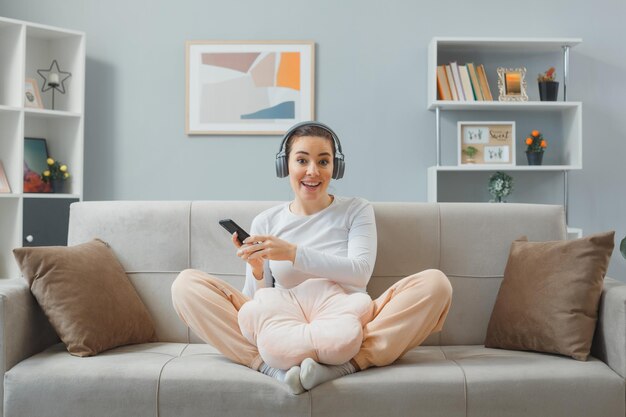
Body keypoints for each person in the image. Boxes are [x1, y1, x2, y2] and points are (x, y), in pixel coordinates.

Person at [171, 121, 452, 395]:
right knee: (186, 286)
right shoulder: (266, 221)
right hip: (280, 325)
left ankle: (344, 365)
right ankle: (273, 369)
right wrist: (258, 271)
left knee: (436, 285)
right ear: (286, 166)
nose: (312, 171)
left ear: (335, 167)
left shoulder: (356, 210)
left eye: (323, 161)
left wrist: (293, 254)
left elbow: (360, 272)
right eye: (302, 160)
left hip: (352, 321)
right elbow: (255, 308)